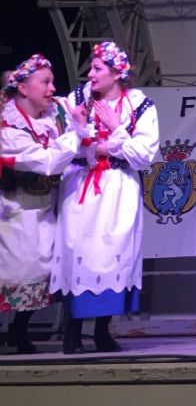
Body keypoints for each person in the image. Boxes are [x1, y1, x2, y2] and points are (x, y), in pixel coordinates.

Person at [53, 42, 159, 354]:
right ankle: (72, 331)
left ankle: (102, 329)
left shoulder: (140, 104)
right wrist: (83, 130)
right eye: (92, 67)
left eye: (98, 68)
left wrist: (115, 133)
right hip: (81, 185)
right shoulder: (77, 99)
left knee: (114, 252)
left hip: (117, 187)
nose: (91, 73)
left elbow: (144, 155)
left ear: (117, 73)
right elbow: (64, 143)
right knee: (78, 250)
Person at [1, 55, 84, 353]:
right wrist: (77, 132)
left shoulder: (52, 114)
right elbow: (48, 162)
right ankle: (14, 332)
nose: (52, 88)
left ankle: (19, 331)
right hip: (14, 210)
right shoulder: (8, 129)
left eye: (52, 81)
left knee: (42, 270)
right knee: (16, 269)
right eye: (45, 82)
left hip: (44, 207)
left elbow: (81, 99)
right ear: (23, 89)